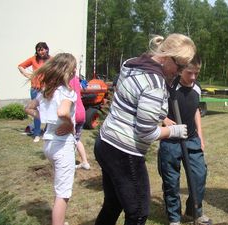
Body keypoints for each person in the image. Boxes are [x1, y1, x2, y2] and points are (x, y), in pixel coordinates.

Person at [94, 33, 196, 225]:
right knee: (139, 211)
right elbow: (146, 133)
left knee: (113, 203)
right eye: (180, 66)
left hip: (105, 142)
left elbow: (132, 100)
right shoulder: (155, 85)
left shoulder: (133, 63)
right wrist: (173, 131)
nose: (181, 72)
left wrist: (160, 116)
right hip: (124, 152)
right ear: (166, 55)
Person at [24, 53, 78, 225]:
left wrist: (44, 116)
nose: (75, 70)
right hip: (62, 147)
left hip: (49, 145)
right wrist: (70, 124)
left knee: (59, 187)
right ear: (66, 71)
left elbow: (28, 108)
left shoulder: (46, 92)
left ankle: (60, 221)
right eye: (73, 68)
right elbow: (62, 112)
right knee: (63, 194)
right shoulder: (68, 92)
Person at [158, 55, 211, 225]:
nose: (193, 77)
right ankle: (174, 218)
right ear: (181, 70)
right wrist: (164, 118)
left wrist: (200, 137)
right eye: (190, 73)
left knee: (199, 176)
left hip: (192, 139)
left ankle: (193, 211)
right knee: (171, 181)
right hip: (171, 139)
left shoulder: (197, 87)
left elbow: (196, 110)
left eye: (197, 73)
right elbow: (153, 105)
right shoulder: (169, 86)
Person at [18, 42, 51, 142]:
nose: (40, 52)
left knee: (49, 110)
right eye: (38, 50)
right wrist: (27, 75)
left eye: (42, 49)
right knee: (35, 111)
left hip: (47, 89)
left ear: (46, 49)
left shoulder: (51, 59)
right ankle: (36, 133)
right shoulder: (33, 59)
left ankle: (47, 131)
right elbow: (20, 66)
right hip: (35, 89)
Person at [69, 76, 90, 170]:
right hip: (81, 112)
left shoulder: (63, 78)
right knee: (76, 139)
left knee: (68, 140)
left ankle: (68, 164)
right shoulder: (76, 78)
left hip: (72, 113)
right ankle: (85, 162)